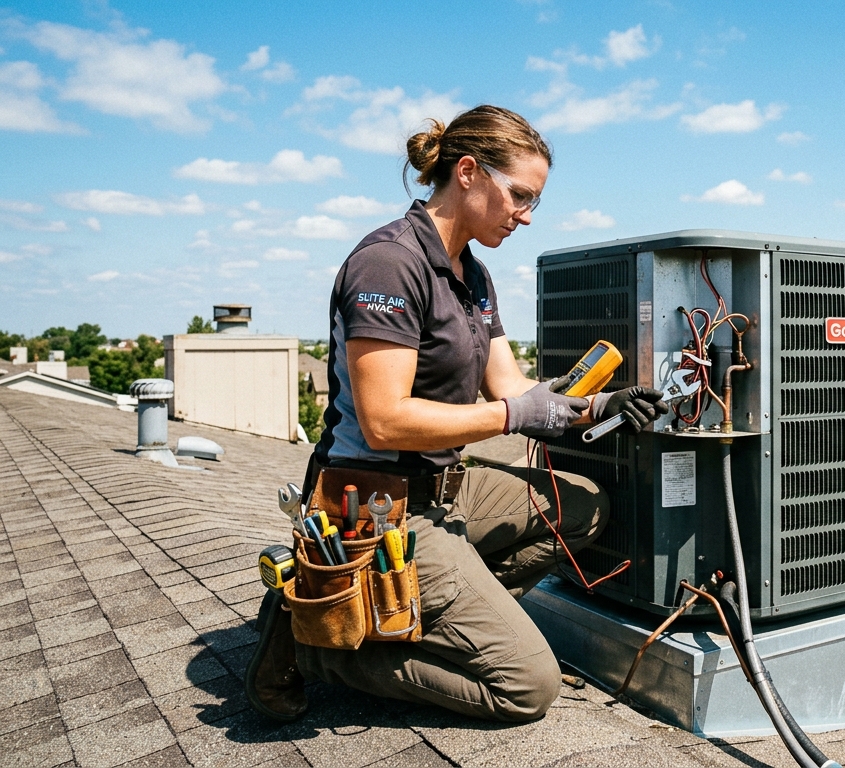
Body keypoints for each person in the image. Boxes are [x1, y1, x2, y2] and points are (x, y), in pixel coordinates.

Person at [245, 105, 669, 723]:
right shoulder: (389, 262)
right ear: (468, 171)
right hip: (375, 500)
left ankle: (404, 610)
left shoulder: (473, 273)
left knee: (581, 507)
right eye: (519, 196)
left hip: (448, 487)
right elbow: (385, 420)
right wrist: (514, 415)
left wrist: (596, 405)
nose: (526, 216)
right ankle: (328, 649)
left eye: (535, 203)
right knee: (527, 687)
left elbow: (512, 388)